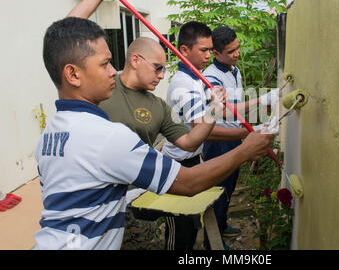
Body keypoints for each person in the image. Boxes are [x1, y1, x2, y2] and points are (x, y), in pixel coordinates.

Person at [33, 15, 274, 250]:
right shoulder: (108, 136)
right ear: (73, 74)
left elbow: (189, 141)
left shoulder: (49, 136)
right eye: (105, 63)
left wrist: (212, 113)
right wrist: (245, 149)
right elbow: (189, 183)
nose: (112, 71)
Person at [66, 0, 226, 250]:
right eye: (158, 68)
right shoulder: (103, 86)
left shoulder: (157, 106)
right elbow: (67, 36)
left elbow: (189, 142)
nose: (162, 76)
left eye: (164, 69)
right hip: (90, 203)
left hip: (135, 200)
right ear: (136, 60)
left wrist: (212, 112)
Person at [163, 23, 278, 250]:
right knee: (181, 230)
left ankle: (212, 237)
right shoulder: (185, 84)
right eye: (204, 50)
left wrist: (251, 109)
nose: (207, 56)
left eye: (209, 50)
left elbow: (221, 110)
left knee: (196, 217)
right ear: (184, 50)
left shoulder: (198, 79)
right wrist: (248, 132)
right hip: (178, 163)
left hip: (194, 158)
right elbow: (204, 131)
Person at [201, 26, 278, 249]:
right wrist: (262, 101)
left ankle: (223, 226)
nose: (236, 54)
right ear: (216, 53)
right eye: (230, 51)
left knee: (231, 184)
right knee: (218, 189)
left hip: (233, 135)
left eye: (238, 48)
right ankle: (211, 243)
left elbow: (236, 105)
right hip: (218, 141)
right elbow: (223, 110)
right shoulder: (211, 78)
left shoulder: (233, 70)